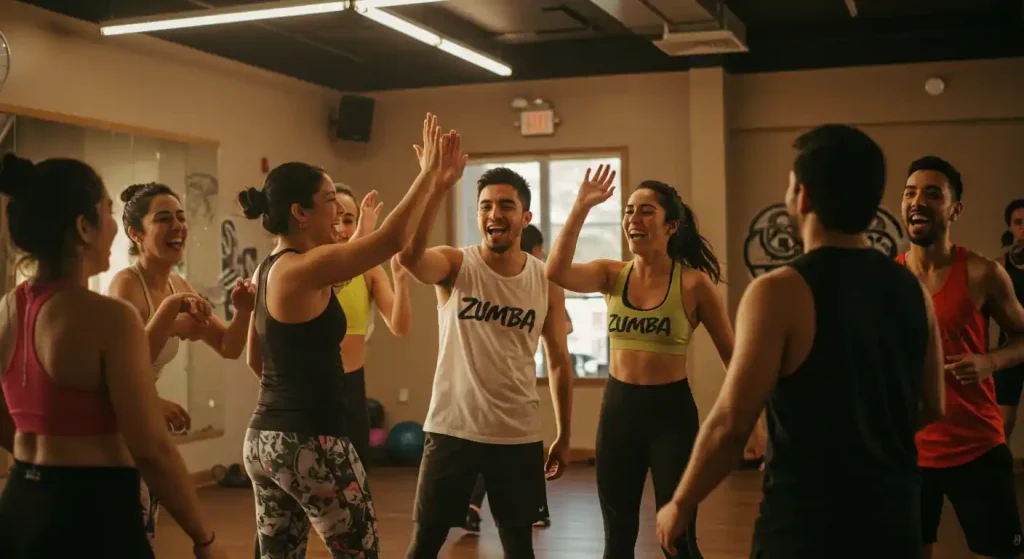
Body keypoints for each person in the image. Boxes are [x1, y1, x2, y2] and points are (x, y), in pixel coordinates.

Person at [654, 124, 945, 558]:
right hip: (894, 522)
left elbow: (731, 424)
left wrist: (679, 502)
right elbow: (933, 406)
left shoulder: (779, 291)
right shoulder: (912, 289)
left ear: (803, 196)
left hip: (807, 528)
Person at [240, 113, 454, 558]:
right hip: (312, 441)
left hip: (264, 440)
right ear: (301, 213)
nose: (338, 209)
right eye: (329, 199)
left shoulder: (270, 269)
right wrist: (428, 175)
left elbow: (254, 361)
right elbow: (392, 239)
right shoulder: (305, 267)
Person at [0, 153, 226, 558]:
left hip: (20, 505)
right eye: (106, 213)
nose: (114, 230)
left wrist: (35, 462)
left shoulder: (8, 309)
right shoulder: (109, 317)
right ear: (84, 228)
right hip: (92, 514)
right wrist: (203, 538)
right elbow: (152, 450)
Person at [545, 168, 734, 559]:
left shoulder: (695, 285)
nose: (634, 219)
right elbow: (556, 271)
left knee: (677, 540)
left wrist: (753, 423)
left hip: (672, 417)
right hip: (619, 415)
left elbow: (734, 356)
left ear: (671, 226)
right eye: (629, 211)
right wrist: (581, 205)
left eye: (646, 211)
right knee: (617, 541)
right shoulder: (611, 274)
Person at [398, 163, 574, 559]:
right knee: (425, 543)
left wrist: (564, 433)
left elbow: (560, 360)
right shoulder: (456, 265)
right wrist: (438, 185)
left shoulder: (546, 280)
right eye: (485, 206)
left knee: (518, 548)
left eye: (506, 205)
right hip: (451, 429)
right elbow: (411, 258)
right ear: (478, 215)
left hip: (518, 435)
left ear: (524, 217)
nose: (494, 213)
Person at [107, 181, 256, 543]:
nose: (178, 227)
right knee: (124, 529)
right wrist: (171, 317)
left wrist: (243, 312)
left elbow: (228, 346)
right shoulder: (125, 285)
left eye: (180, 217)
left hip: (139, 417)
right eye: (163, 219)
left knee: (144, 525)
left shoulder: (178, 284)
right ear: (135, 233)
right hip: (114, 422)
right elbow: (124, 365)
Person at [898, 157, 1024, 559]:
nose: (918, 201)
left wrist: (991, 361)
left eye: (933, 193)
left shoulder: (983, 273)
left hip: (977, 446)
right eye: (910, 192)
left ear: (955, 209)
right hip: (909, 452)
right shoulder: (889, 279)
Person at [460, 224, 567, 534]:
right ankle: (525, 509)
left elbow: (559, 344)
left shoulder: (544, 284)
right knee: (498, 451)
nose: (543, 255)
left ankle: (531, 508)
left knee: (517, 447)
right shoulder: (488, 279)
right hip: (491, 402)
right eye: (540, 249)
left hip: (520, 395)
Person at [332, 183, 411, 463]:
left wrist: (401, 280)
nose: (341, 228)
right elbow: (337, 271)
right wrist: (363, 237)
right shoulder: (311, 267)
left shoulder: (368, 271)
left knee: (354, 479)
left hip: (352, 387)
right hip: (312, 389)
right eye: (335, 219)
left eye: (349, 220)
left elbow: (399, 326)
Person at [994, 198, 1024, 435]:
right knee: (1002, 424)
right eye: (1019, 222)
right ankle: (998, 472)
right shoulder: (999, 266)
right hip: (1010, 348)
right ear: (1011, 227)